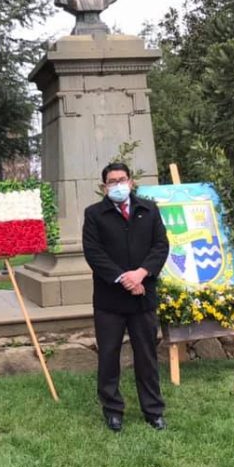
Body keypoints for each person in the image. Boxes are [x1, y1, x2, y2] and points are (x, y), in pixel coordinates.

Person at [82, 162, 169, 432]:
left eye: (122, 179)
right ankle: (112, 410)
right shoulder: (94, 214)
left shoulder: (149, 209)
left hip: (143, 296)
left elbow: (160, 245)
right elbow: (94, 253)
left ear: (131, 182)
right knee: (109, 355)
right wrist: (124, 279)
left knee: (146, 355)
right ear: (104, 187)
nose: (117, 185)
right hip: (110, 300)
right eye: (111, 181)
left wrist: (141, 274)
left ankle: (153, 410)